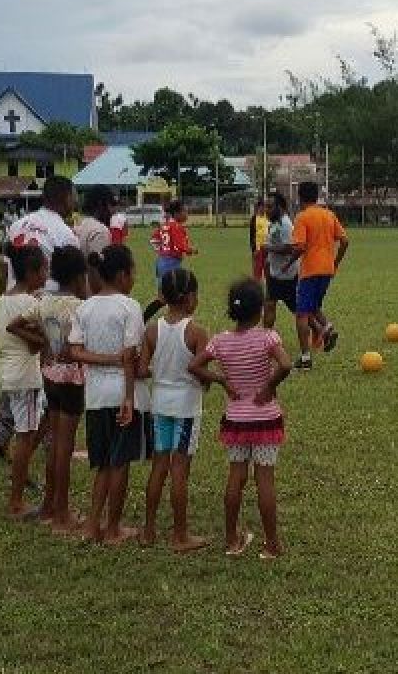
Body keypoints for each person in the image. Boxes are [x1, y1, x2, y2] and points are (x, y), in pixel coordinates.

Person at [189, 279, 292, 559]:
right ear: (260, 309)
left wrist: (222, 380)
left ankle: (232, 540)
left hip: (235, 421)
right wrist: (269, 387)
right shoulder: (268, 337)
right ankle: (272, 544)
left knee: (235, 478)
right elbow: (285, 364)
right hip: (266, 420)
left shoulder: (220, 341)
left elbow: (195, 366)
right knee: (265, 481)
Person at [0, 176, 79, 455]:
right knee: (48, 373)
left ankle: (1, 429)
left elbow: (4, 264)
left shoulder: (19, 223)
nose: (74, 202)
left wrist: (3, 297)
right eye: (73, 196)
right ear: (64, 197)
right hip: (46, 306)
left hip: (13, 299)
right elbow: (73, 273)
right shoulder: (64, 232)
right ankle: (45, 435)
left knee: (19, 366)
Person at [68, 245, 149, 545]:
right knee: (120, 463)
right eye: (133, 272)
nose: (135, 278)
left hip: (95, 396)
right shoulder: (130, 307)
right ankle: (113, 528)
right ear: (122, 274)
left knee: (102, 463)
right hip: (122, 395)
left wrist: (106, 359)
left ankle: (92, 525)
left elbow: (75, 351)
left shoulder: (84, 307)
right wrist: (129, 398)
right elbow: (130, 357)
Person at [7, 245, 90, 534]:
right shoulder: (81, 308)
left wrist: (44, 342)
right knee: (64, 448)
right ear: (81, 276)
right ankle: (62, 514)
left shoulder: (43, 302)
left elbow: (14, 324)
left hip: (50, 376)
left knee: (55, 443)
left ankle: (49, 505)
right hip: (72, 381)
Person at [140, 268, 211, 551]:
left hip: (159, 404)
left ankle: (148, 530)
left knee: (159, 466)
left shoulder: (152, 329)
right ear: (191, 297)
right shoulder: (197, 332)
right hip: (185, 408)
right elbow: (201, 373)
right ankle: (180, 535)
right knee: (180, 470)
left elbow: (143, 369)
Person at [0, 245, 48, 519]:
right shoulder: (31, 306)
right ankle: (16, 501)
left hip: (8, 373)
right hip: (26, 375)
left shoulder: (4, 299)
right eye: (44, 269)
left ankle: (20, 481)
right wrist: (48, 341)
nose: (47, 274)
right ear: (31, 272)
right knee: (25, 438)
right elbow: (33, 347)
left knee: (26, 434)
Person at [288, 181, 350, 370]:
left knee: (301, 314)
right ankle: (327, 327)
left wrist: (288, 261)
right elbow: (345, 241)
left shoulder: (302, 217)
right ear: (316, 196)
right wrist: (335, 262)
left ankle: (305, 359)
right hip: (327, 270)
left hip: (310, 271)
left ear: (300, 197)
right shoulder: (329, 215)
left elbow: (300, 246)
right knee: (313, 306)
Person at [261, 192, 297, 330]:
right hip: (276, 272)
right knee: (271, 304)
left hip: (285, 274)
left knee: (295, 309)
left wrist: (268, 247)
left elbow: (290, 249)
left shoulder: (286, 224)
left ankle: (322, 330)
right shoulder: (276, 223)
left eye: (270, 207)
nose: (266, 210)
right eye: (266, 206)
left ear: (280, 207)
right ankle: (322, 329)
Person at [150, 200, 197, 286]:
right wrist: (191, 250)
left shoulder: (164, 225)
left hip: (160, 261)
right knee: (173, 289)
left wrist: (161, 250)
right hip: (172, 262)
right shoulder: (177, 226)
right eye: (184, 211)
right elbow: (179, 246)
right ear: (176, 213)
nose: (186, 215)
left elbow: (153, 240)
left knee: (162, 288)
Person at [74, 185, 115, 261]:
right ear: (101, 204)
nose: (113, 211)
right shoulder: (100, 231)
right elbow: (98, 269)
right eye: (112, 205)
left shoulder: (77, 226)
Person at [250, 200, 270, 282]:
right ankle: (256, 286)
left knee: (268, 269)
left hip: (268, 247)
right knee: (257, 270)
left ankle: (268, 285)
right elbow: (252, 235)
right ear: (258, 207)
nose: (264, 209)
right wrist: (254, 249)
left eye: (265, 207)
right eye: (262, 207)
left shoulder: (268, 217)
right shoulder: (254, 218)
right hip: (258, 248)